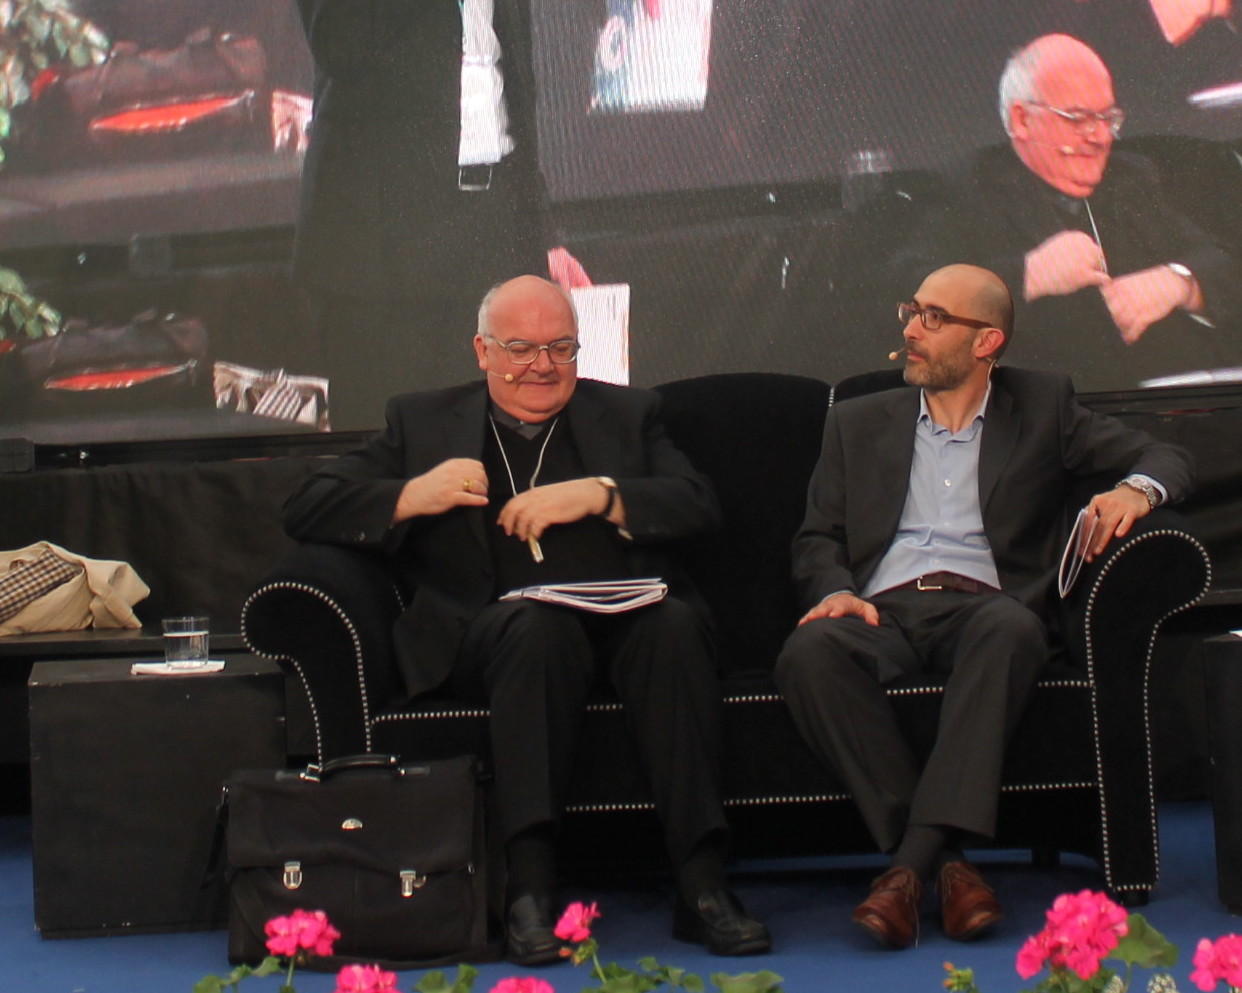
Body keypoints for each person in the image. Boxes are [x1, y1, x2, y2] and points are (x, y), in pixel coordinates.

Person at [282, 275, 771, 963]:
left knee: (674, 626)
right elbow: (305, 505)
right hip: (495, 629)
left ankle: (703, 884)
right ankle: (529, 888)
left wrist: (601, 495)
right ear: (483, 351)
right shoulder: (422, 421)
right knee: (537, 630)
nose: (542, 365)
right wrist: (411, 494)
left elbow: (696, 502)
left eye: (560, 347)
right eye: (520, 348)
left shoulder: (628, 413)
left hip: (627, 615)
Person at [774, 263, 1193, 949]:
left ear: (986, 341)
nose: (912, 329)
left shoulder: (1043, 407)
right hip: (884, 608)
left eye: (934, 318)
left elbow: (1166, 454)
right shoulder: (857, 421)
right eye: (912, 311)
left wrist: (1136, 491)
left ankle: (907, 868)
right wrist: (835, 590)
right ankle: (945, 867)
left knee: (1012, 630)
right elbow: (818, 535)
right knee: (809, 652)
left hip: (987, 608)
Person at [893, 33, 1241, 390]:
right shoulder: (963, 188)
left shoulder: (1130, 179)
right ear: (1022, 120)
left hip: (1167, 399)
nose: (1101, 137)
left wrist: (1178, 282)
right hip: (1033, 408)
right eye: (1078, 118)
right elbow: (902, 300)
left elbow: (1226, 263)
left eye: (1108, 118)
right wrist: (1029, 274)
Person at [293, 0, 548, 429]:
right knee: (393, 442)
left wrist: (541, 228)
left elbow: (515, 75)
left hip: (495, 220)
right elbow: (340, 43)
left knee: (497, 439)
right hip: (383, 236)